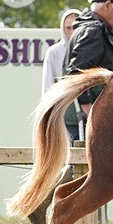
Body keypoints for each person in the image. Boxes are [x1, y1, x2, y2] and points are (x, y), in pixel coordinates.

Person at [28, 0, 113, 224]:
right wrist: (87, 105)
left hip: (91, 105)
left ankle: (48, 204)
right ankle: (43, 202)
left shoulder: (92, 27)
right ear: (107, 5)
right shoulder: (93, 30)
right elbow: (77, 71)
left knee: (89, 162)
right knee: (89, 162)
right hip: (88, 107)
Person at [42, 8, 82, 141]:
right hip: (64, 116)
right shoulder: (54, 51)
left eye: (76, 27)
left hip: (87, 114)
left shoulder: (89, 49)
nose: (72, 31)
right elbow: (48, 84)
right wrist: (48, 115)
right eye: (68, 28)